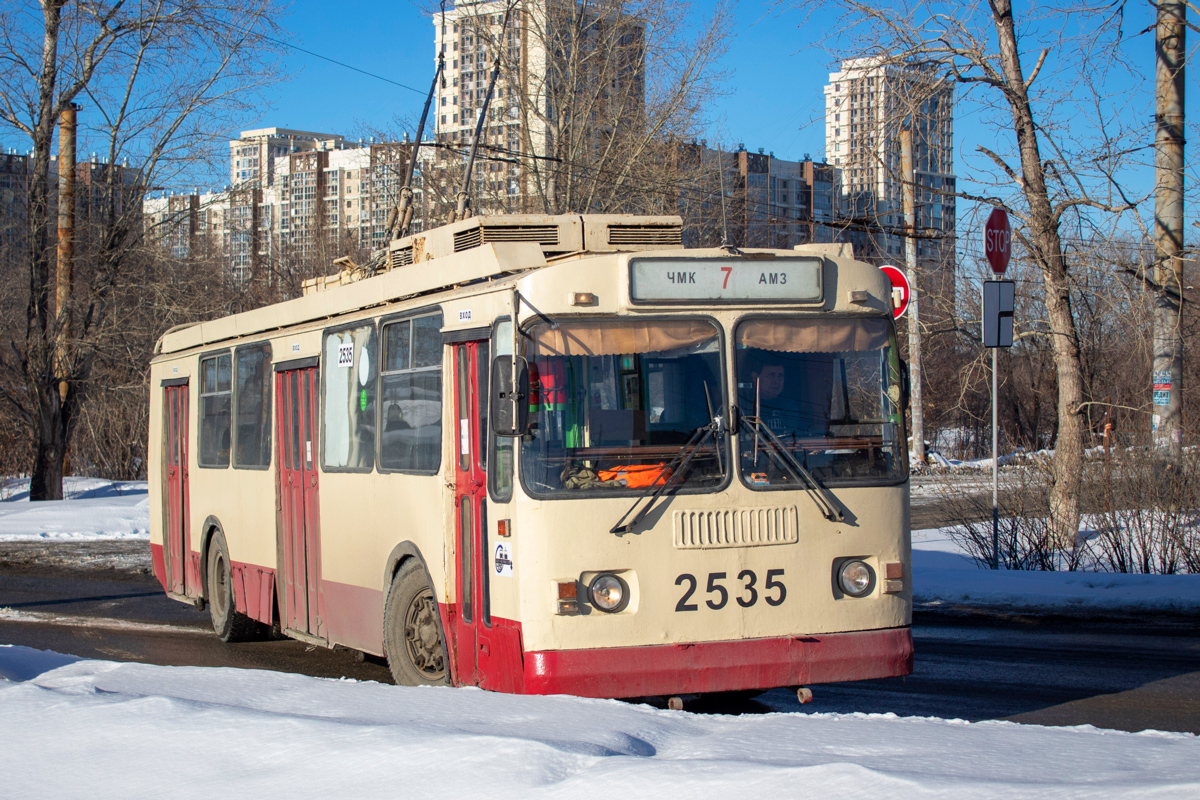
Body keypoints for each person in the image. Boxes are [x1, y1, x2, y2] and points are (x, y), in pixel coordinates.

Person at [744, 352, 830, 439]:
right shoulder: (746, 405)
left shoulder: (790, 405)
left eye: (780, 375)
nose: (777, 381)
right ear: (755, 377)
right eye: (771, 375)